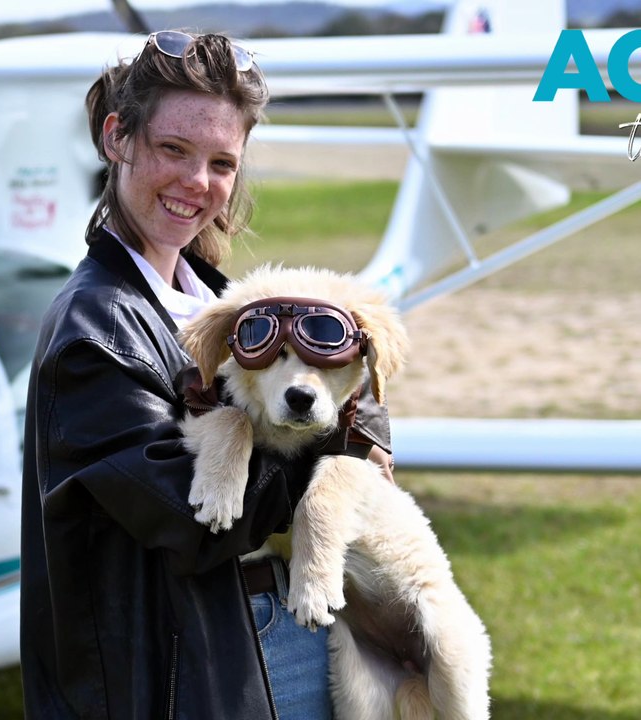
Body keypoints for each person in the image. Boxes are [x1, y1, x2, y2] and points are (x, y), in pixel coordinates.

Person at [20, 31, 391, 719]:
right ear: (116, 138)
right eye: (174, 150)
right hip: (194, 668)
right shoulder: (95, 330)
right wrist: (344, 438)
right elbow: (197, 516)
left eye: (222, 162)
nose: (198, 183)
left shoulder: (215, 302)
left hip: (258, 629)